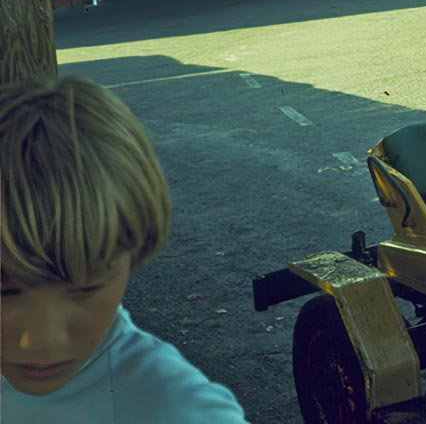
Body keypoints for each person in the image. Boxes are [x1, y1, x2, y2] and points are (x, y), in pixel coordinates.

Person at [1, 74, 249, 424]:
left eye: (85, 287)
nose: (40, 339)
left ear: (135, 252)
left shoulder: (180, 410)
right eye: (5, 291)